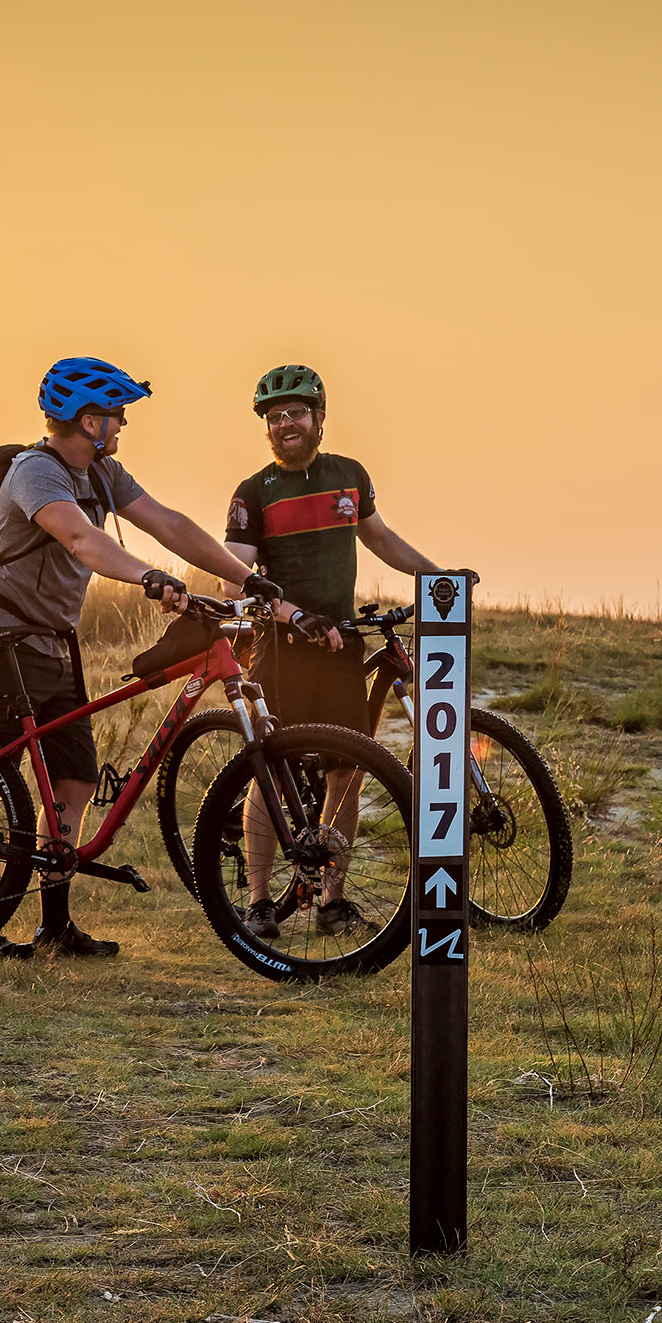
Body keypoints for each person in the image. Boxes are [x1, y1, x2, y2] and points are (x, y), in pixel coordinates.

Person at [0, 357, 276, 958]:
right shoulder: (34, 472)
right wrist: (148, 576)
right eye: (116, 415)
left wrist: (246, 576)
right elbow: (81, 538)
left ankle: (55, 926)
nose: (122, 425)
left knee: (72, 780)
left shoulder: (103, 473)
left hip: (53, 642)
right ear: (88, 420)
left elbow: (167, 523)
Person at [222, 363, 455, 940]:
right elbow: (232, 578)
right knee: (271, 772)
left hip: (342, 645)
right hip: (282, 649)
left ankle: (331, 900)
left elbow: (380, 538)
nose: (285, 424)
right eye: (275, 417)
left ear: (320, 417)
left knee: (346, 771)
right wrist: (291, 615)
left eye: (297, 413)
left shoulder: (349, 476)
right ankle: (258, 902)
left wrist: (439, 577)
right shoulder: (252, 493)